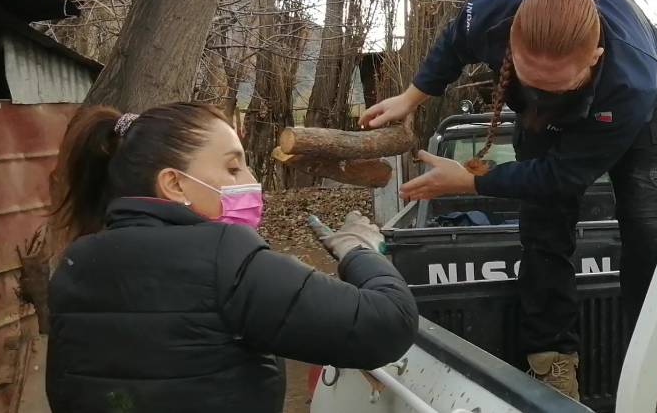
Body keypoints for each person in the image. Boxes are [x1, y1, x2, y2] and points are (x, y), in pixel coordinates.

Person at [361, 0, 657, 406]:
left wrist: (472, 181)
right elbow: (455, 42)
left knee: (649, 232)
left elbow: (563, 177)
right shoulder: (493, 13)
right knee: (543, 227)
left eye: (558, 84)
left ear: (595, 57)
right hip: (538, 117)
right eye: (532, 78)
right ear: (510, 40)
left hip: (629, 112)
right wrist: (413, 96)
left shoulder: (633, 80)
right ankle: (553, 363)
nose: (544, 92)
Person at [46, 103, 418, 413]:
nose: (251, 179)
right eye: (232, 167)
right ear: (174, 184)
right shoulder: (221, 255)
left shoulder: (75, 263)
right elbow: (387, 324)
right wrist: (358, 249)